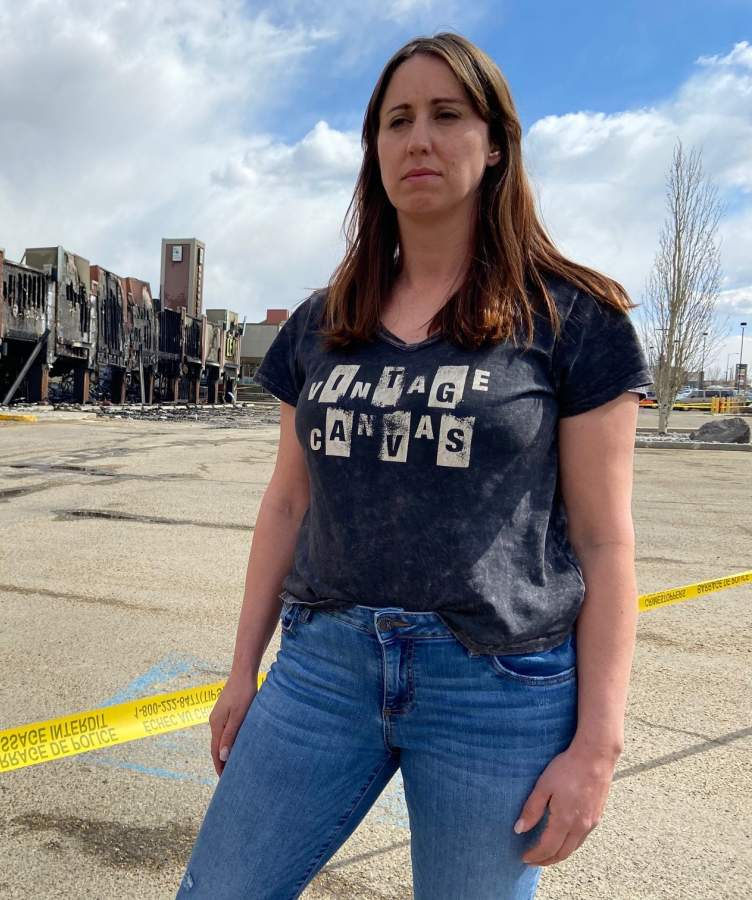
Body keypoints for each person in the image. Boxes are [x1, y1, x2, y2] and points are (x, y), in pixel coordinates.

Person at [177, 32, 652, 900]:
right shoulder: (324, 322)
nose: (417, 140)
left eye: (445, 115)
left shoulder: (574, 319)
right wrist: (242, 673)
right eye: (397, 121)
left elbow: (603, 539)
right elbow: (286, 506)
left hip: (498, 689)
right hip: (324, 667)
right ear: (374, 152)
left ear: (496, 142)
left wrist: (598, 745)